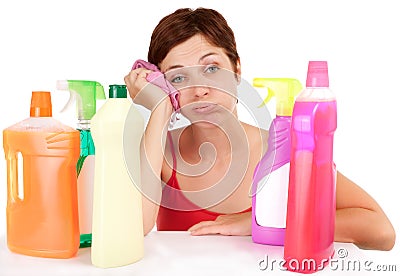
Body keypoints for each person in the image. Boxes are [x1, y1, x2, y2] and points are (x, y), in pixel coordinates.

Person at [124, 7, 395, 250]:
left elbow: (381, 231)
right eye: (179, 77)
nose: (200, 90)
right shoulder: (159, 147)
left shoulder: (285, 149)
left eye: (211, 68)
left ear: (237, 69)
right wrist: (159, 108)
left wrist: (261, 225)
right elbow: (134, 229)